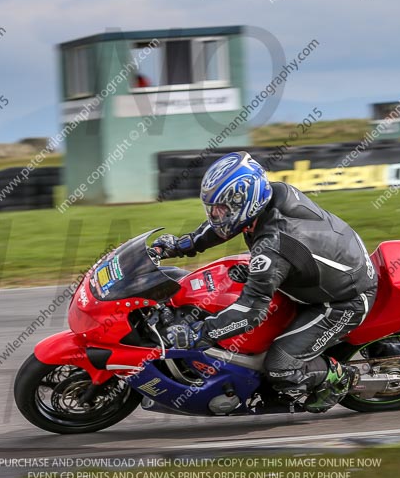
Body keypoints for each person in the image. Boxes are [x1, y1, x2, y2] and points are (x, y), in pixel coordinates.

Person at [151, 151, 378, 414]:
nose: (216, 215)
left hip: (343, 300)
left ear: (245, 201)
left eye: (222, 208)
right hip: (320, 273)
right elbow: (225, 226)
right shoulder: (274, 195)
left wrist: (200, 333)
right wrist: (180, 245)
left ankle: (339, 378)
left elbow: (251, 313)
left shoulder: (273, 246)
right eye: (213, 208)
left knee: (280, 367)